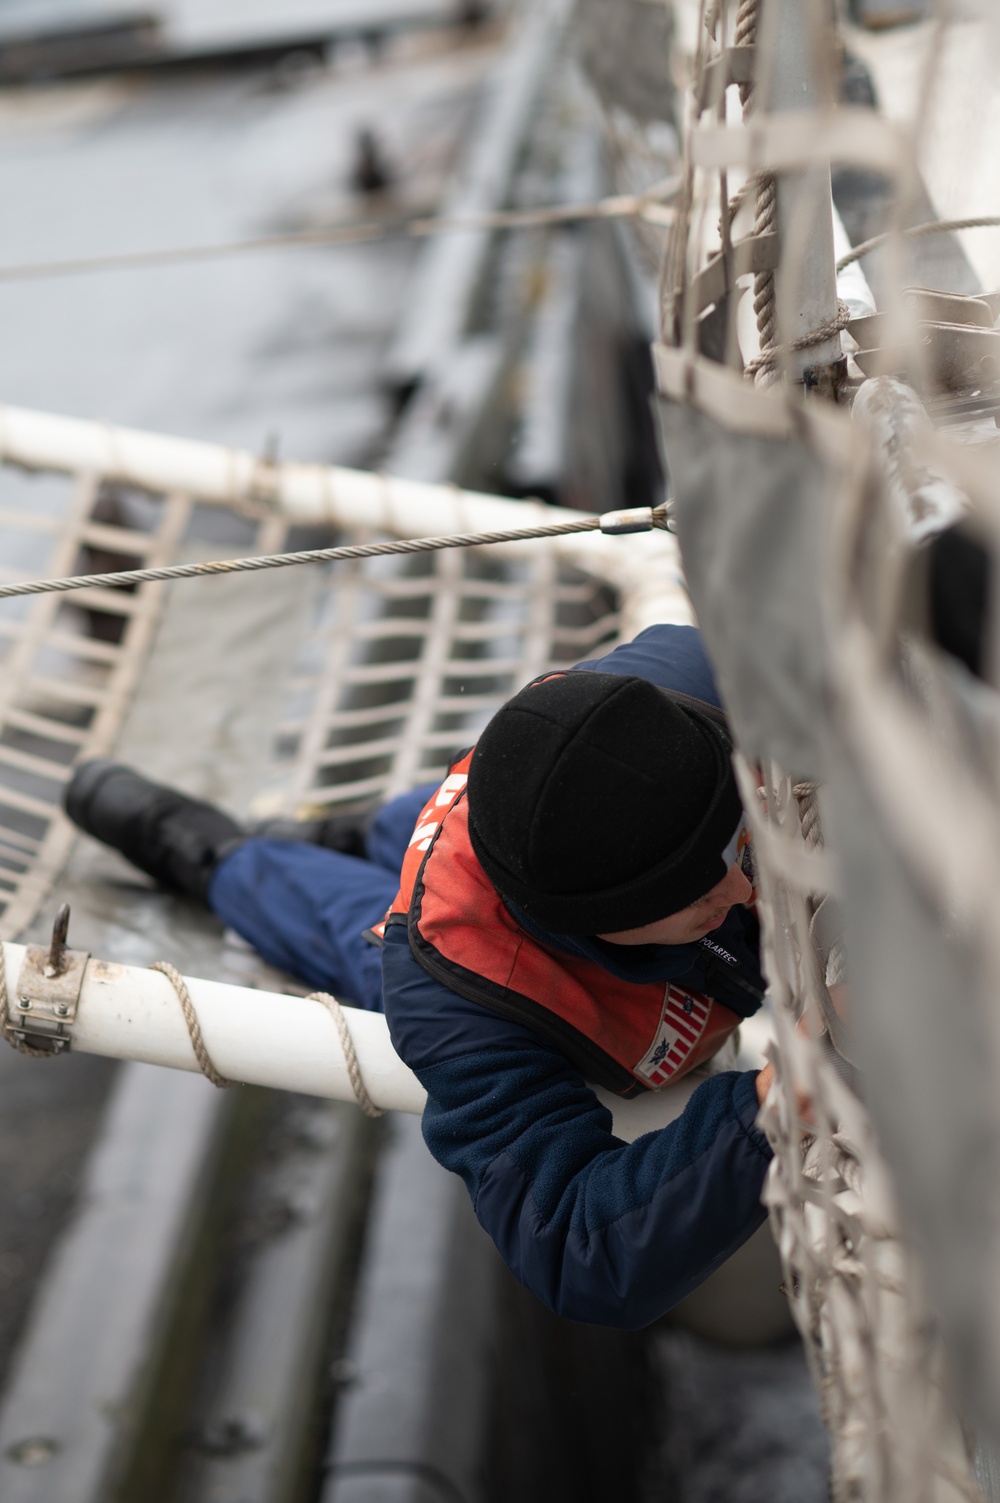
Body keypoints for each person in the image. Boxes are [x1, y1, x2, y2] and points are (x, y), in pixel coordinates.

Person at [65, 623, 775, 1328]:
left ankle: (343, 832)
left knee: (404, 824)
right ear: (592, 920)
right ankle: (195, 841)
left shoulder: (691, 685)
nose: (746, 894)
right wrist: (777, 1104)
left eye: (734, 849)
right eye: (698, 893)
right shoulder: (457, 992)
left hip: (488, 799)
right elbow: (574, 1245)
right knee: (330, 916)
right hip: (453, 914)